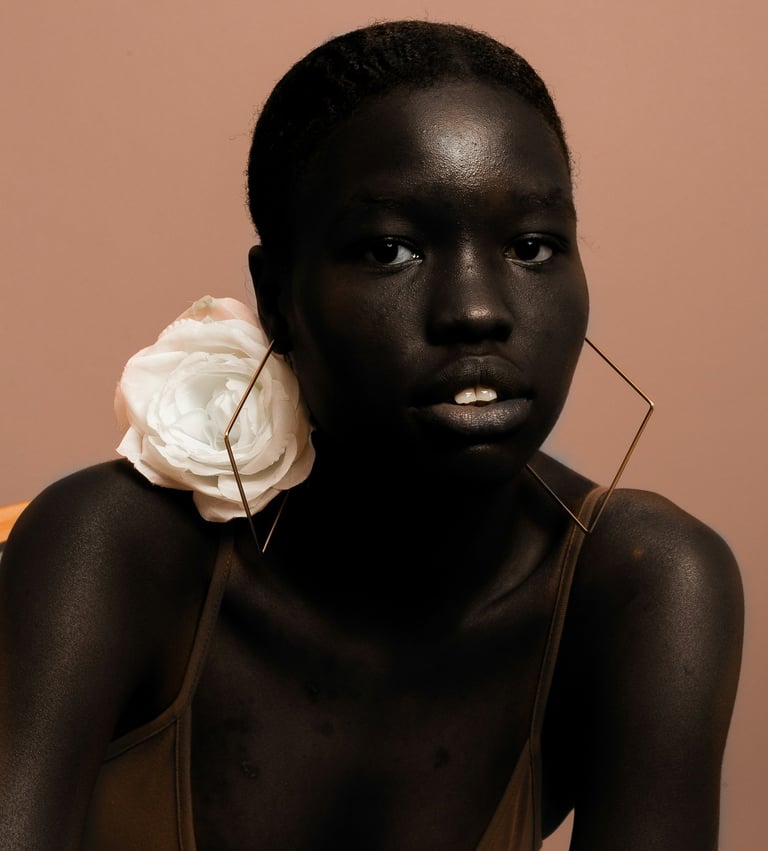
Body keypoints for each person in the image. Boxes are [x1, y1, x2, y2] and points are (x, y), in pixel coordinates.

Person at [0, 19, 743, 851]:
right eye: (390, 249)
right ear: (276, 297)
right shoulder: (116, 549)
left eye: (533, 246)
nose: (477, 310)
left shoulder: (641, 584)